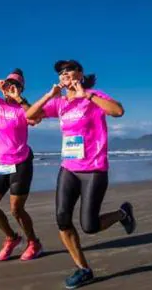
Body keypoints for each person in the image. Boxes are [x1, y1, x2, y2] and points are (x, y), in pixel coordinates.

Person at [26, 60, 136, 289]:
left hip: (94, 169)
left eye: (70, 70)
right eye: (61, 72)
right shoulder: (60, 103)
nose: (65, 74)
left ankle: (122, 214)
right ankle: (83, 269)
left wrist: (86, 95)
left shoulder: (93, 96)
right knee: (62, 218)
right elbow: (30, 115)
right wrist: (50, 95)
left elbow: (118, 111)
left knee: (90, 226)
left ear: (80, 74)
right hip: (69, 169)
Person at [0, 68, 43, 262]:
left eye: (16, 85)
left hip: (21, 162)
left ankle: (33, 242)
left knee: (16, 209)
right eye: (8, 84)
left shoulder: (23, 108)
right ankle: (12, 238)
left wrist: (20, 99)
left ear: (21, 88)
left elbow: (36, 118)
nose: (10, 87)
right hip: (1, 164)